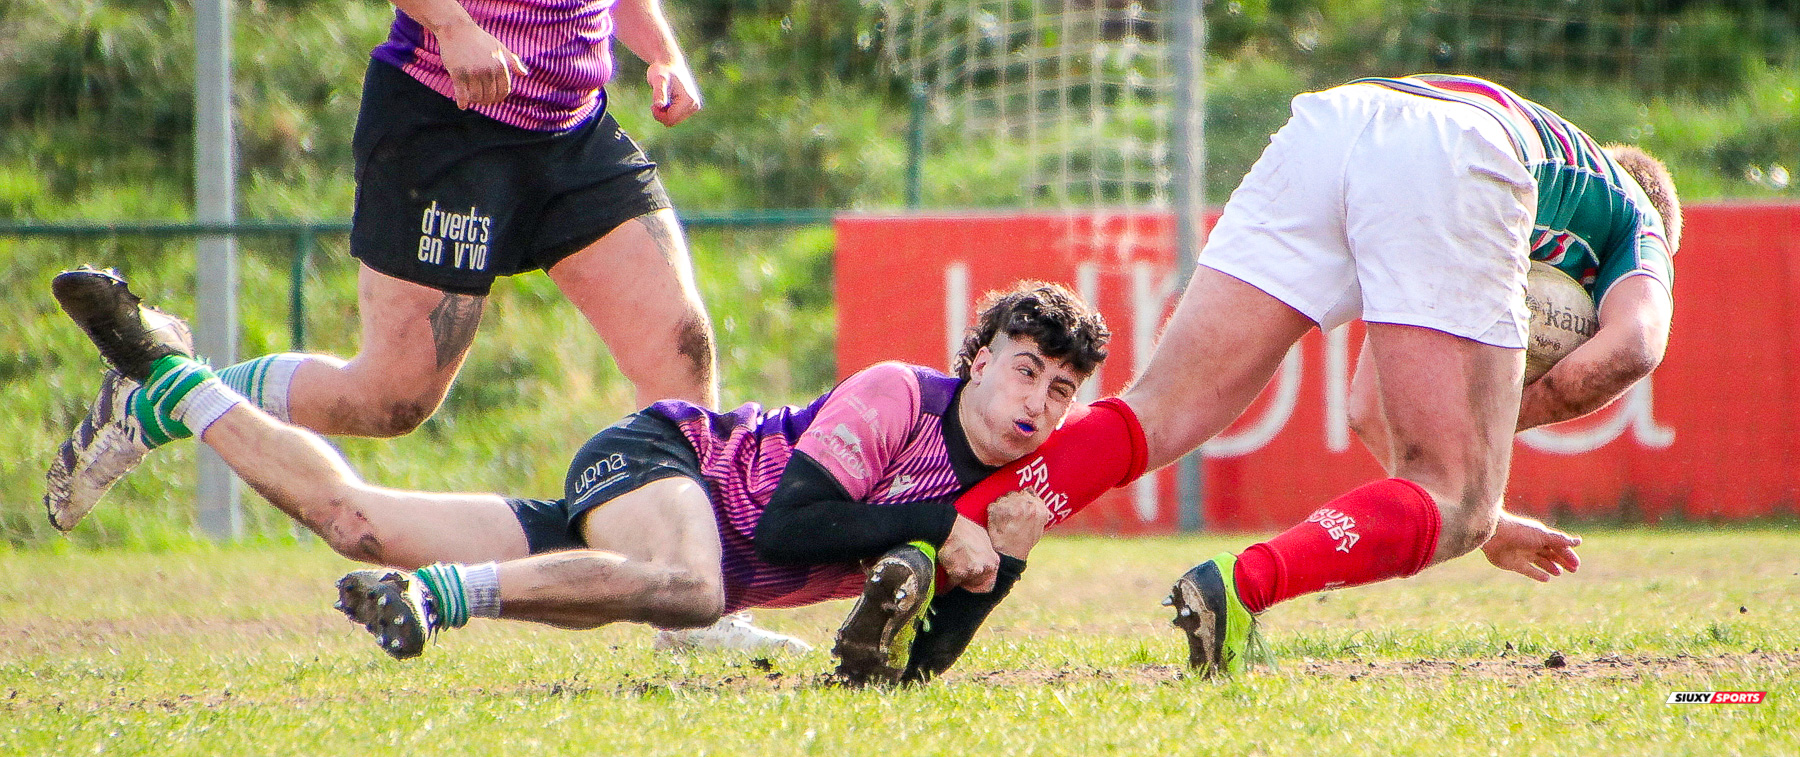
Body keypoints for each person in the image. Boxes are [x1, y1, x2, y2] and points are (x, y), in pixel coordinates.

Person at [42, 0, 799, 651]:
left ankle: (694, 615)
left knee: (681, 354)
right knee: (391, 398)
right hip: (447, 128)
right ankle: (160, 398)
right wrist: (452, 23)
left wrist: (663, 52)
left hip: (572, 133)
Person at [941, 73, 1681, 677]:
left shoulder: (1552, 182)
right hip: (1456, 151)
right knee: (1459, 498)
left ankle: (934, 539)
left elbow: (1369, 407)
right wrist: (1474, 481)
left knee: (1158, 409)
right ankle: (1241, 588)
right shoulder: (1637, 216)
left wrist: (1463, 491)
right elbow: (1634, 346)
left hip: (1335, 120)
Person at [51, 270, 1107, 677]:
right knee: (693, 591)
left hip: (646, 542)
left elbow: (922, 669)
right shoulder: (897, 394)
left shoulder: (1015, 497)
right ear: (980, 359)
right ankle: (438, 600)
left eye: (1062, 390)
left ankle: (171, 387)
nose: (1038, 402)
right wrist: (939, 523)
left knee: (354, 520)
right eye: (1026, 370)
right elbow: (790, 526)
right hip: (660, 461)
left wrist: (988, 567)